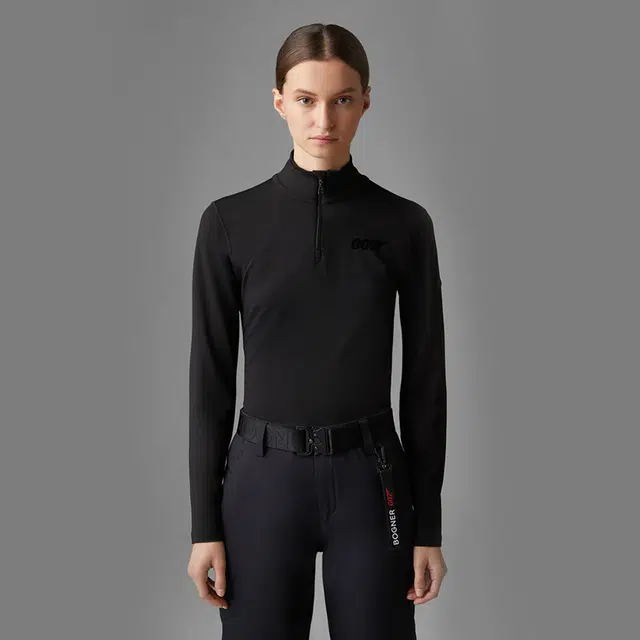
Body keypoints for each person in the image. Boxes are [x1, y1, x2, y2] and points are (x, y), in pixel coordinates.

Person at [186, 22, 448, 640]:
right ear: (279, 102)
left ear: (365, 103)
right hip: (262, 482)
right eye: (306, 99)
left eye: (342, 99)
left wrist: (429, 527)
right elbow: (210, 382)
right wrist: (204, 526)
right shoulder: (228, 223)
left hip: (372, 484)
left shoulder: (404, 225)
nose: (323, 119)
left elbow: (425, 382)